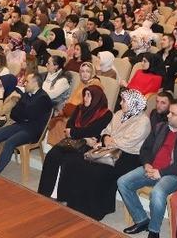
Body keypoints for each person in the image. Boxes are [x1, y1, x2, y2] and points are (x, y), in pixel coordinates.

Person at [51, 89, 151, 219]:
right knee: (77, 162)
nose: (120, 103)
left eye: (124, 101)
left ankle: (95, 210)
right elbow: (106, 130)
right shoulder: (120, 113)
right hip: (109, 149)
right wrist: (105, 139)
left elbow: (128, 142)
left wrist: (109, 141)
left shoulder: (143, 121)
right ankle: (73, 202)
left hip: (128, 156)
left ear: (134, 103)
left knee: (97, 172)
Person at [118, 99, 177, 238]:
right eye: (169, 112)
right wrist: (147, 164)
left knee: (157, 192)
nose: (168, 115)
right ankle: (141, 220)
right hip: (151, 168)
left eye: (173, 114)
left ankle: (154, 230)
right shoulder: (160, 127)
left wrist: (161, 172)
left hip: (174, 175)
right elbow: (145, 149)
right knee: (122, 182)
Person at [0, 72, 53, 175]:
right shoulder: (25, 95)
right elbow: (14, 114)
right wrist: (24, 114)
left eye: (27, 81)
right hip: (20, 124)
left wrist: (23, 112)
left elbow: (29, 115)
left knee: (9, 143)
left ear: (35, 83)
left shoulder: (43, 98)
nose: (24, 84)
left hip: (33, 131)